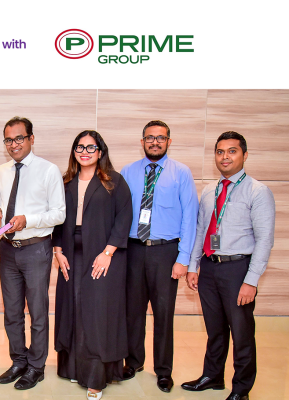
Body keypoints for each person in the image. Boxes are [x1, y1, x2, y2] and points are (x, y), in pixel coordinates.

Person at [181, 132, 275, 400]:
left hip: (238, 270)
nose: (225, 157)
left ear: (245, 155)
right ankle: (212, 377)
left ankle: (241, 389)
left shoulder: (258, 191)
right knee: (215, 329)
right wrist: (193, 265)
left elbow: (265, 239)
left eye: (232, 151)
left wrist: (251, 280)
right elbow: (201, 230)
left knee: (242, 333)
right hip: (209, 267)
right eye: (220, 152)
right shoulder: (209, 190)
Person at [120, 120, 199, 393]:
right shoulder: (128, 171)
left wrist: (184, 258)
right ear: (142, 141)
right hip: (133, 249)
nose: (155, 142)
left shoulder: (181, 172)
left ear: (169, 141)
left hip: (166, 252)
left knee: (163, 314)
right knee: (132, 312)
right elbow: (120, 213)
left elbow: (190, 217)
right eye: (150, 138)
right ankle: (133, 362)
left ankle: (164, 371)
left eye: (160, 138)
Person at [53, 130, 132, 399]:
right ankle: (75, 368)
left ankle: (96, 377)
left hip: (103, 255)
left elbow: (124, 218)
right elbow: (57, 219)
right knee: (73, 309)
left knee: (97, 314)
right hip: (70, 254)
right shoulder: (65, 182)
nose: (84, 152)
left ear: (100, 152)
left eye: (90, 147)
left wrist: (107, 252)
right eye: (79, 147)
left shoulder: (114, 181)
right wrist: (58, 251)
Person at [0, 117, 65, 390]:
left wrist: (28, 220)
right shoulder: (1, 171)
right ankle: (19, 361)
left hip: (36, 249)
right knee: (12, 312)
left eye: (19, 138)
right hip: (7, 249)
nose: (14, 144)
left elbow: (59, 213)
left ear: (31, 138)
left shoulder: (48, 170)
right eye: (9, 140)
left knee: (37, 312)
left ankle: (36, 366)